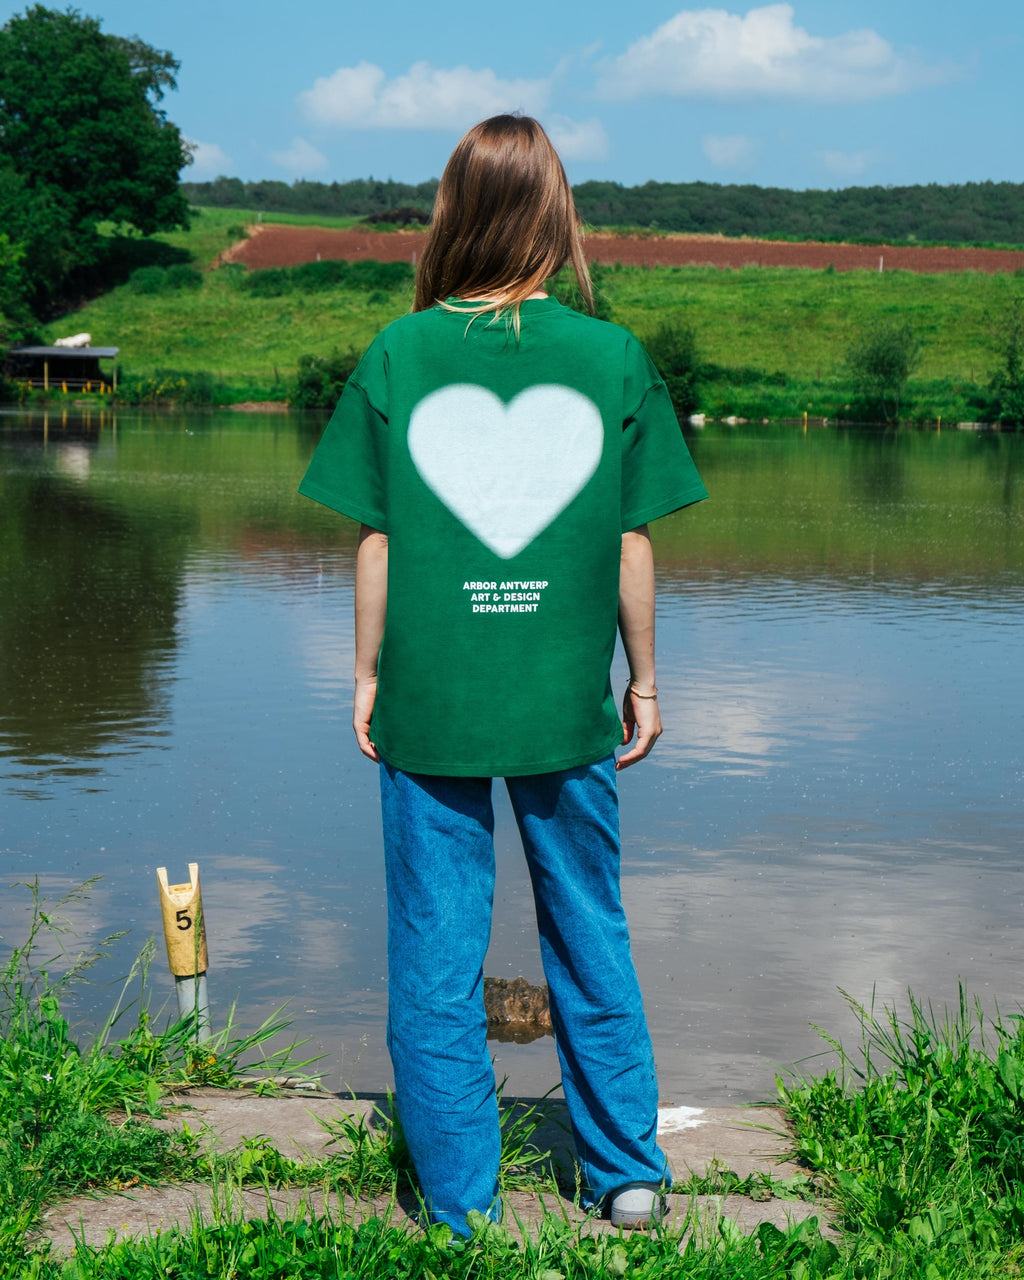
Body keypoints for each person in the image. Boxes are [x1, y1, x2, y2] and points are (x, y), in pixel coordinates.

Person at [299, 113, 707, 1237]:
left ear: (454, 214)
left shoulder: (397, 350)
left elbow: (375, 539)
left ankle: (461, 1201)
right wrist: (646, 682)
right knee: (588, 923)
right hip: (564, 700)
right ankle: (624, 1170)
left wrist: (366, 674)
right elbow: (632, 542)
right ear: (554, 215)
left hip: (432, 695)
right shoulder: (611, 356)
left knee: (434, 949)